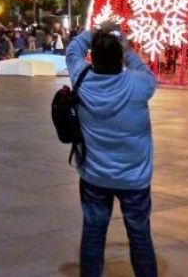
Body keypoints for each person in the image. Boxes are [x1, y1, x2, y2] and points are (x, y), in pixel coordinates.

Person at [64, 24, 158, 277]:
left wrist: (95, 32)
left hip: (95, 176)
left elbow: (72, 50)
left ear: (92, 57)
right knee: (139, 234)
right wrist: (126, 47)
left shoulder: (82, 80)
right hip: (135, 178)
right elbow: (143, 69)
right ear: (120, 58)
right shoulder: (140, 84)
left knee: (93, 233)